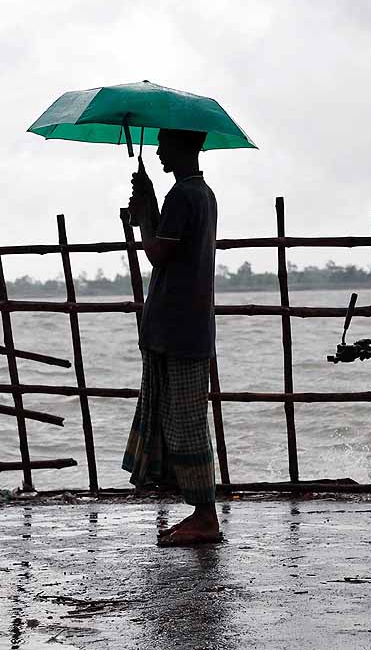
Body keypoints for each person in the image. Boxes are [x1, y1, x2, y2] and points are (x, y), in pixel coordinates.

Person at [122, 128, 221, 546]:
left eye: (164, 143)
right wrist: (146, 208)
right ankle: (199, 511)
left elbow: (157, 252)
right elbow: (169, 244)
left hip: (179, 325)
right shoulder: (200, 193)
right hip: (180, 323)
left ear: (182, 147)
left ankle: (205, 515)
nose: (159, 150)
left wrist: (146, 212)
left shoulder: (183, 195)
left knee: (186, 424)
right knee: (177, 419)